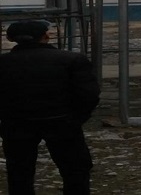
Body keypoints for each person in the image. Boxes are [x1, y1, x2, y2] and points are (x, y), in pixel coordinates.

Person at [0, 20, 99, 195]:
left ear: (10, 38)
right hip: (62, 122)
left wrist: (6, 119)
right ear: (46, 36)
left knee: (19, 173)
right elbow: (88, 95)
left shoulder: (4, 63)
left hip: (17, 124)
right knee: (75, 171)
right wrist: (76, 119)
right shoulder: (72, 60)